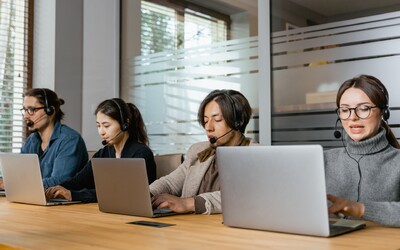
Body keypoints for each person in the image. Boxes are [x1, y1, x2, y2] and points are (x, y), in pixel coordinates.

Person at [150, 89, 258, 215]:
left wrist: (188, 203)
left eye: (217, 120)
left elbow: (243, 195)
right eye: (206, 120)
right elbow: (170, 183)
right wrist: (146, 193)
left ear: (237, 122)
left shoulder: (256, 155)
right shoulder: (198, 151)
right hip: (191, 227)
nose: (208, 127)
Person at [45, 98, 156, 203]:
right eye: (98, 126)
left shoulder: (141, 153)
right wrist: (54, 189)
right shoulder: (103, 153)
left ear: (125, 124)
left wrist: (73, 195)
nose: (101, 132)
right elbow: (78, 181)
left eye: (106, 126)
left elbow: (120, 193)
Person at [325, 74, 400, 227]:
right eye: (345, 110)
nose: (352, 117)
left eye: (364, 108)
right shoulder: (321, 160)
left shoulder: (397, 162)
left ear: (383, 113)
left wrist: (360, 208)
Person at [0, 88, 88, 190]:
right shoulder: (31, 141)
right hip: (35, 198)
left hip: (62, 203)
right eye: (24, 110)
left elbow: (59, 181)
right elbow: (20, 174)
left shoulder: (70, 140)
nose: (25, 116)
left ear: (50, 110)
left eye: (32, 110)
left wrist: (14, 184)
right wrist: (5, 181)